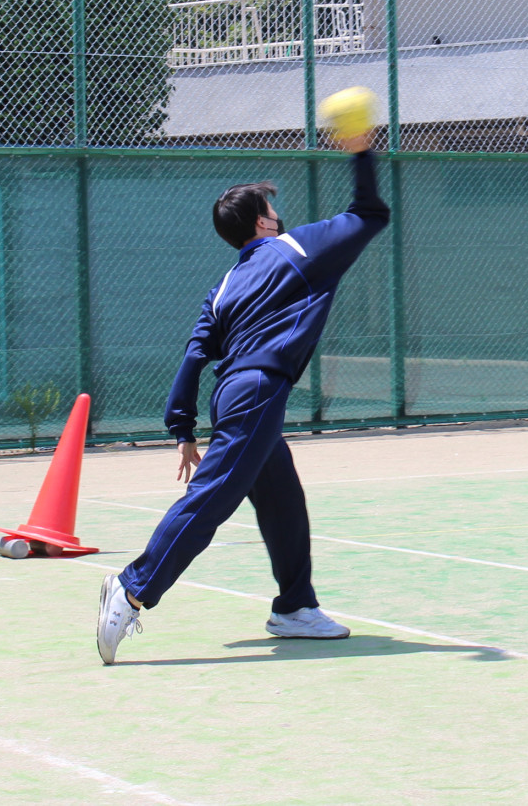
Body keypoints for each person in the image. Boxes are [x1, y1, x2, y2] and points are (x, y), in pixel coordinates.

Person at [98, 129, 388, 663]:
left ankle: (295, 608)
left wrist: (181, 427)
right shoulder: (299, 246)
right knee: (213, 498)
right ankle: (133, 587)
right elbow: (370, 213)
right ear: (261, 222)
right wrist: (360, 150)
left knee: (282, 500)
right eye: (271, 208)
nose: (278, 214)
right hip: (256, 393)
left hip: (235, 394)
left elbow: (194, 354)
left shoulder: (226, 284)